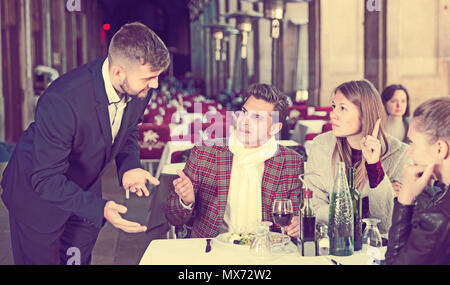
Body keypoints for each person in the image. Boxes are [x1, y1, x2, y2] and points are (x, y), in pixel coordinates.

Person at [0, 22, 170, 265]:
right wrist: (100, 207)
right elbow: (46, 179)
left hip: (84, 187)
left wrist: (129, 165)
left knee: (77, 260)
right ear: (118, 72)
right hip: (37, 195)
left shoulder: (140, 88)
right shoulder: (63, 99)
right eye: (149, 77)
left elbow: (129, 128)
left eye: (156, 76)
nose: (154, 84)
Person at [165, 83, 303, 238]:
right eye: (244, 112)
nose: (244, 121)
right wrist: (186, 201)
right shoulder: (205, 152)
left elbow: (296, 219)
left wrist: (298, 225)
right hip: (214, 251)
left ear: (274, 128)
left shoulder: (292, 163)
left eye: (257, 117)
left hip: (267, 252)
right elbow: (173, 216)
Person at [304, 80, 409, 234]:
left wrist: (374, 165)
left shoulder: (399, 154)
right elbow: (313, 207)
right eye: (334, 106)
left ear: (365, 114)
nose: (333, 114)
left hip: (375, 252)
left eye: (342, 108)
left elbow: (386, 223)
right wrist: (364, 207)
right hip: (332, 244)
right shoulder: (321, 145)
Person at [385, 97, 450, 265]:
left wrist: (405, 198)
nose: (409, 152)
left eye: (413, 143)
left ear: (440, 148)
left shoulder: (436, 220)